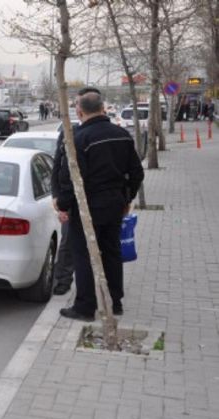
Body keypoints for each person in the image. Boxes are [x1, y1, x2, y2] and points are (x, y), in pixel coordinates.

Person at [56, 91, 144, 321]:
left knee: (83, 255)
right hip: (115, 204)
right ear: (103, 108)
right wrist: (127, 198)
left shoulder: (78, 139)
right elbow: (137, 172)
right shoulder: (121, 134)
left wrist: (63, 205)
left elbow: (72, 178)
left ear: (79, 111)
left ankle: (85, 307)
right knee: (112, 252)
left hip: (88, 207)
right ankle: (114, 302)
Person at [50, 86, 103, 295]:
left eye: (80, 103)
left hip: (97, 202)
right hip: (70, 200)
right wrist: (58, 198)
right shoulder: (67, 132)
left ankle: (97, 285)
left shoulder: (102, 133)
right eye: (77, 103)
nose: (78, 108)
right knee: (68, 244)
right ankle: (62, 282)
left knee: (98, 246)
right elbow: (57, 167)